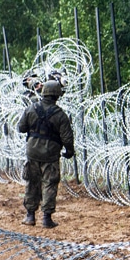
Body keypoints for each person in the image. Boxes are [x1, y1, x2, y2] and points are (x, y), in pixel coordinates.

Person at [16, 80, 75, 228]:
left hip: (32, 151)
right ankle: (47, 218)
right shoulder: (60, 115)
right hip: (50, 153)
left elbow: (21, 128)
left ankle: (30, 216)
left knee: (32, 182)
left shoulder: (30, 109)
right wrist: (69, 151)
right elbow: (67, 138)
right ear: (57, 96)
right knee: (49, 183)